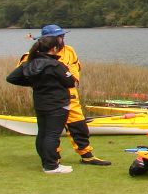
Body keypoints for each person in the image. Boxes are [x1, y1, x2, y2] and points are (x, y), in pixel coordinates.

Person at [22, 25, 110, 166]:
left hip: (71, 95)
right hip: (51, 98)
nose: (62, 38)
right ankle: (52, 160)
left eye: (62, 36)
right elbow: (24, 74)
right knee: (50, 132)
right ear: (49, 40)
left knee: (79, 126)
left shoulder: (69, 51)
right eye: (59, 36)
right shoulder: (32, 55)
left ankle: (87, 156)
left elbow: (74, 69)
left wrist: (70, 78)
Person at [7, 36, 77, 174]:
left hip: (41, 103)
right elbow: (71, 82)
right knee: (52, 135)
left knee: (43, 133)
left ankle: (46, 163)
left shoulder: (29, 63)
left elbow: (12, 78)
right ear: (54, 49)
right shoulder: (56, 65)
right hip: (57, 104)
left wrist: (34, 83)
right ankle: (51, 166)